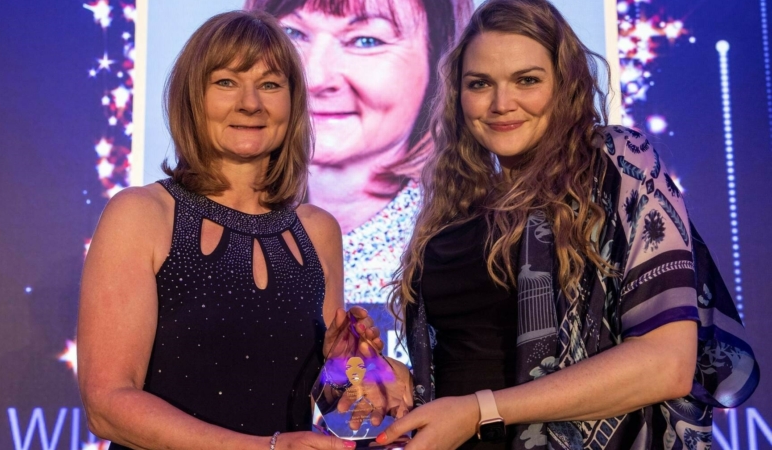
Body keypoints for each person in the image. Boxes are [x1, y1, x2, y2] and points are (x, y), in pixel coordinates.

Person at [376, 0, 760, 449]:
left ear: (565, 85)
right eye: (480, 84)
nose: (502, 104)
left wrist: (481, 411)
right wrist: (400, 381)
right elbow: (468, 358)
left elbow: (666, 363)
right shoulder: (453, 208)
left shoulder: (616, 168)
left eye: (527, 80)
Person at [77, 11, 386, 450]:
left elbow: (333, 406)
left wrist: (353, 370)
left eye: (270, 84)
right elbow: (106, 405)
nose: (250, 103)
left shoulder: (318, 231)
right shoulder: (141, 215)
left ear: (293, 103)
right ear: (192, 97)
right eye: (226, 82)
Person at [247, 0, 473, 322]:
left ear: (440, 60)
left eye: (366, 41)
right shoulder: (204, 224)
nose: (313, 77)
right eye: (292, 33)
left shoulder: (471, 239)